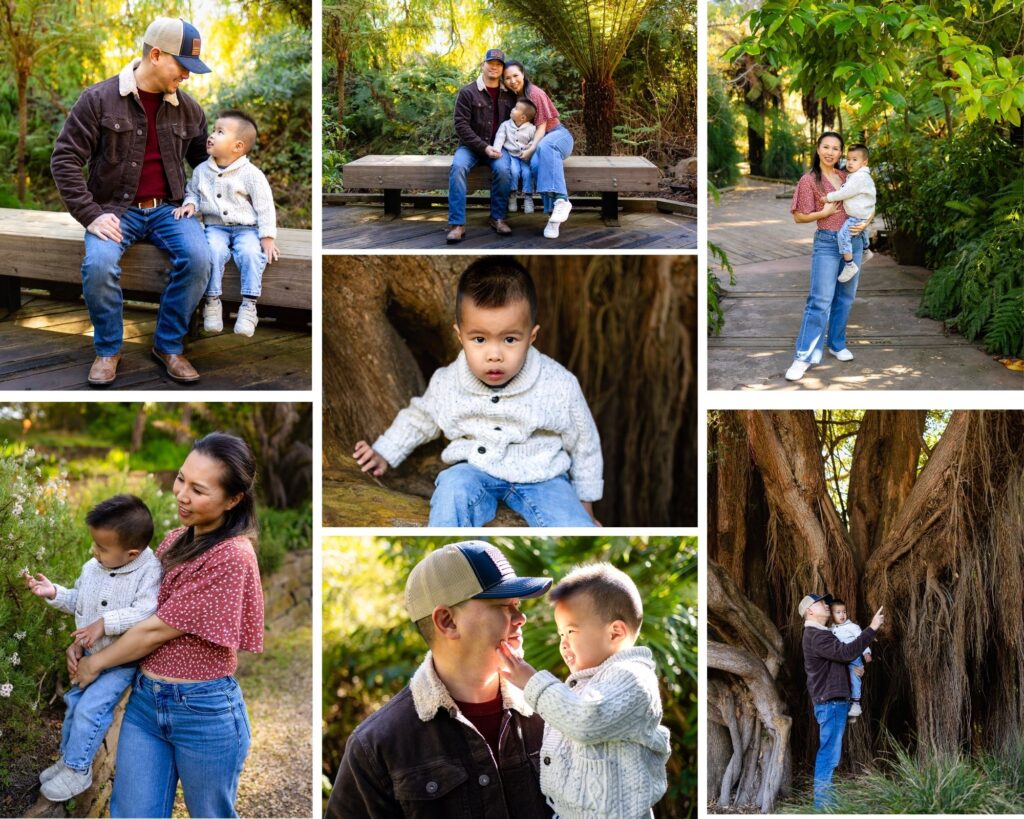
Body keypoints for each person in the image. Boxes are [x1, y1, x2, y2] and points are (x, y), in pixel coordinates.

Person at [70, 433, 264, 819]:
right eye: (181, 479)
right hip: (145, 704)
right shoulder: (176, 539)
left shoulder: (232, 555)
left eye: (198, 489)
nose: (182, 495)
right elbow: (135, 608)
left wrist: (97, 663)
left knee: (210, 814)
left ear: (233, 499)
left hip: (204, 712)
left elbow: (155, 629)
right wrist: (84, 638)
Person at [352, 258, 603, 527]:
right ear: (460, 337)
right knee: (452, 489)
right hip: (475, 470)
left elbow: (584, 442)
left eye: (510, 339)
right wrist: (384, 452)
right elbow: (419, 419)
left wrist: (585, 505)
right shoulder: (447, 383)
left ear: (531, 337)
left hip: (544, 474)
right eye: (479, 339)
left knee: (570, 520)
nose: (494, 355)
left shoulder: (558, 383)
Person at [326, 540, 554, 819]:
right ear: (447, 621)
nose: (521, 618)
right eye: (504, 605)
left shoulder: (553, 713)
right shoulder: (376, 746)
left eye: (518, 605)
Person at [50, 17, 213, 386]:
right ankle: (108, 350)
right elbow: (64, 160)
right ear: (156, 55)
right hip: (113, 211)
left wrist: (216, 201)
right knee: (99, 265)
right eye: (183, 66)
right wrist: (90, 215)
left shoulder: (190, 110)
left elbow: (206, 167)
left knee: (200, 258)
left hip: (170, 210)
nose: (188, 76)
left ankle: (168, 346)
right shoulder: (98, 99)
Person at [498, 563, 671, 818]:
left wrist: (531, 681)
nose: (563, 644)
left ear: (615, 632)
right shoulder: (589, 682)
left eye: (571, 631)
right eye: (560, 635)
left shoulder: (633, 677)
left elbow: (586, 719)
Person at [22, 496, 161, 801]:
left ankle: (79, 768)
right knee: (73, 708)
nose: (93, 552)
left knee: (91, 710)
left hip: (118, 663)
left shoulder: (148, 572)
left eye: (101, 547)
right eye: (94, 544)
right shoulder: (93, 567)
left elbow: (145, 612)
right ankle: (68, 759)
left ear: (131, 553)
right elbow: (80, 602)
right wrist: (54, 592)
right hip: (88, 655)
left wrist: (105, 623)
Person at [173, 109, 280, 337]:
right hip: (216, 227)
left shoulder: (251, 174)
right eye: (213, 130)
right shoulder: (202, 170)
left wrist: (267, 237)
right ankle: (212, 301)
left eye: (220, 132)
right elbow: (193, 192)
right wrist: (191, 204)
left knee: (251, 253)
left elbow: (265, 206)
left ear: (237, 146)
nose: (211, 135)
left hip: (246, 229)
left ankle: (249, 305)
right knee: (212, 251)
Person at [785, 132, 874, 382]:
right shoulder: (809, 180)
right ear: (817, 148)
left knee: (845, 298)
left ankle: (836, 344)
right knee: (820, 300)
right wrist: (822, 212)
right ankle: (803, 357)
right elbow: (798, 216)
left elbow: (869, 200)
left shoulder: (850, 176)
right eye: (826, 146)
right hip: (826, 242)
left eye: (836, 148)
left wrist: (866, 221)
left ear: (841, 153)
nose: (830, 152)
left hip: (853, 243)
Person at [799, 592, 884, 809]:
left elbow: (839, 659)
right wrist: (872, 628)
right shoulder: (816, 635)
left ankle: (826, 804)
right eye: (820, 604)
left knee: (830, 753)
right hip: (831, 702)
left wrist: (853, 670)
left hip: (832, 701)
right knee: (829, 755)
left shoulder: (820, 634)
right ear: (809, 611)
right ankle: (823, 807)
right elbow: (846, 652)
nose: (827, 606)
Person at [446, 49, 517, 243]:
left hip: (498, 147)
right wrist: (483, 147)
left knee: (504, 170)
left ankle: (497, 218)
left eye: (499, 64)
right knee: (458, 167)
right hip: (470, 147)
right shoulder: (468, 92)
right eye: (491, 63)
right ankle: (457, 224)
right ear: (482, 65)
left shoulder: (508, 95)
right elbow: (460, 125)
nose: (494, 67)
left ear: (502, 69)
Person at [502, 62, 574, 239]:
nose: (512, 80)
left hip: (556, 136)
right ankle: (553, 218)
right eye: (508, 78)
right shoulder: (512, 98)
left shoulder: (534, 93)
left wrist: (531, 148)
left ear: (523, 74)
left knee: (545, 147)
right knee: (535, 166)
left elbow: (541, 129)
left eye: (515, 76)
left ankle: (562, 200)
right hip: (537, 144)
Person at [823, 144, 876, 283]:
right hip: (864, 213)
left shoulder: (858, 178)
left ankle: (850, 264)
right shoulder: (860, 176)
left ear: (864, 162)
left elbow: (845, 193)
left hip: (857, 215)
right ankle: (866, 250)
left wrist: (828, 197)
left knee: (843, 235)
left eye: (854, 159)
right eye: (848, 159)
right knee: (862, 232)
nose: (850, 163)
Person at [493, 98, 537, 214]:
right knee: (514, 171)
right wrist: (497, 150)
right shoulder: (506, 125)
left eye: (516, 109)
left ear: (523, 118)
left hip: (525, 157)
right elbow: (500, 138)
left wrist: (530, 147)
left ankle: (528, 197)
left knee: (527, 173)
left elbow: (535, 141)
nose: (512, 109)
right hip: (511, 155)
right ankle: (512, 195)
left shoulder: (531, 128)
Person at [829, 598, 871, 719]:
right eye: (838, 612)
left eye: (844, 611)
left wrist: (866, 653)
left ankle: (856, 704)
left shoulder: (853, 627)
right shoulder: (830, 630)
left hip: (853, 658)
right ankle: (841, 703)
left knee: (855, 678)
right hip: (839, 661)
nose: (842, 615)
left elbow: (862, 640)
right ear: (832, 614)